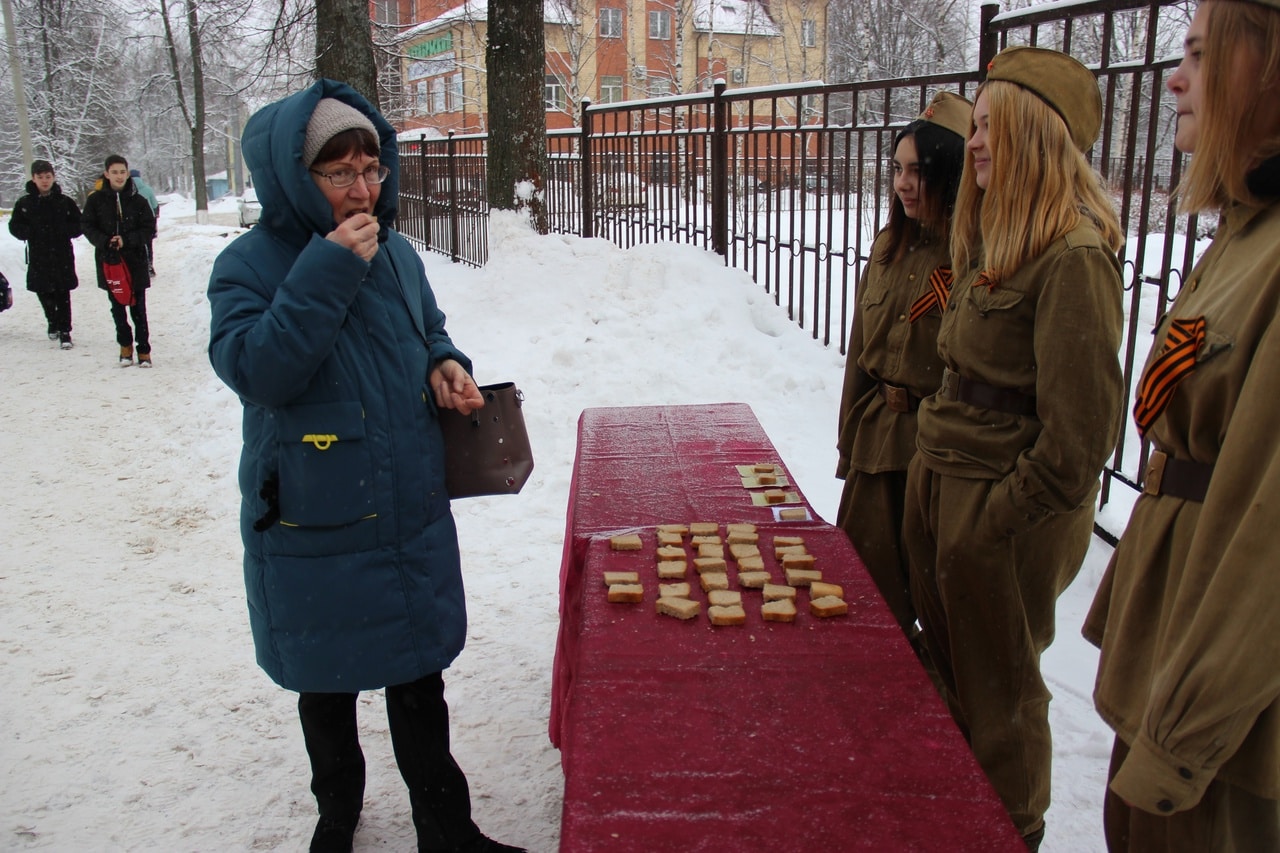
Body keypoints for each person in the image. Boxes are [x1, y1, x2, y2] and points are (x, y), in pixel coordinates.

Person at [207, 80, 526, 853]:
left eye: (372, 168)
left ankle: (447, 830)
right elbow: (259, 370)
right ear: (294, 176)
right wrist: (325, 268)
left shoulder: (396, 251)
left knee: (418, 679)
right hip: (315, 512)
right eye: (340, 172)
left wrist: (445, 363)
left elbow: (428, 328)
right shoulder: (246, 266)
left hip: (405, 497)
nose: (363, 188)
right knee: (328, 684)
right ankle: (336, 817)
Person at [900, 46, 1125, 851]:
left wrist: (994, 519)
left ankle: (1007, 831)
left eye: (994, 125)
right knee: (956, 675)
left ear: (1036, 133)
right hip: (951, 481)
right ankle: (958, 814)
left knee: (1002, 693)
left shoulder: (1074, 257)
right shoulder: (999, 238)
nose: (979, 140)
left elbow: (1080, 439)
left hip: (998, 506)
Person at [1083, 1, 1280, 849]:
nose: (1173, 75)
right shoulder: (1243, 236)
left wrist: (1184, 735)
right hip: (1168, 657)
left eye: (1201, 53)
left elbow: (1265, 541)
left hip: (1220, 728)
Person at [834, 91, 969, 653]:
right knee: (859, 598)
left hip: (934, 454)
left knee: (934, 618)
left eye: (920, 170)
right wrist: (847, 443)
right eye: (897, 169)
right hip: (876, 445)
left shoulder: (972, 258)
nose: (904, 184)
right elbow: (859, 354)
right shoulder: (888, 247)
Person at [81, 155, 156, 367]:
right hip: (109, 262)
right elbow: (87, 226)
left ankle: (144, 350)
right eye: (114, 172)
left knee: (139, 308)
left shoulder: (138, 200)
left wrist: (127, 240)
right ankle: (125, 346)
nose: (119, 176)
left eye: (122, 172)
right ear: (106, 174)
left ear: (127, 172)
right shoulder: (95, 200)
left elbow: (149, 228)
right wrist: (105, 241)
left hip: (135, 261)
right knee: (117, 308)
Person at [8, 159, 83, 349]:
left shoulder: (64, 202)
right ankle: (52, 320)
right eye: (40, 177)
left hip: (62, 254)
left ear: (53, 177)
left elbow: (79, 224)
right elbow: (15, 226)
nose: (44, 180)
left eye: (48, 176)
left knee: (62, 292)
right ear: (33, 179)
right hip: (39, 254)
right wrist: (30, 232)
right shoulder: (25, 203)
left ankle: (65, 331)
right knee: (43, 291)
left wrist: (65, 230)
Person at [129, 168, 159, 276]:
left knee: (136, 245)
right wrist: (155, 214)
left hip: (133, 222)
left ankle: (137, 268)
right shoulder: (148, 189)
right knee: (148, 244)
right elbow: (155, 204)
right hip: (148, 220)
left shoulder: (128, 191)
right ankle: (149, 266)